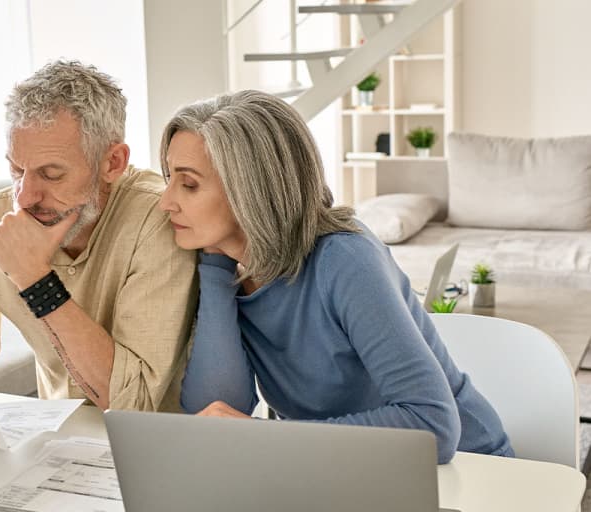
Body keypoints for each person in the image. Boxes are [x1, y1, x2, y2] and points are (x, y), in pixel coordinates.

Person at [158, 90, 513, 464]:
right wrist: (215, 270)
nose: (166, 201)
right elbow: (215, 412)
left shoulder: (344, 259)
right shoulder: (229, 267)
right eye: (169, 178)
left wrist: (268, 436)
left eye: (189, 184)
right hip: (344, 471)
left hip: (467, 470)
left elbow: (433, 425)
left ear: (251, 190)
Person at [0, 60, 198, 450]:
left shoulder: (160, 220)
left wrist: (36, 282)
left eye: (51, 174)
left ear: (112, 162)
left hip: (161, 450)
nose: (25, 196)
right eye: (17, 169)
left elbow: (130, 403)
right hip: (56, 449)